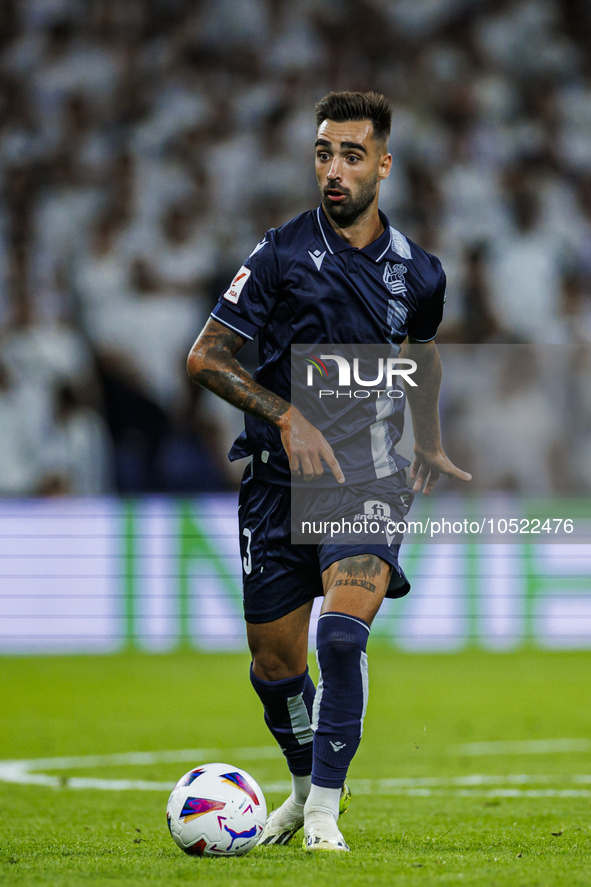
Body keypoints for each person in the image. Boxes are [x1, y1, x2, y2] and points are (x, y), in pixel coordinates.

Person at [187, 91, 470, 852]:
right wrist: (284, 413)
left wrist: (428, 438)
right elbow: (205, 356)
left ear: (383, 163)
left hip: (366, 477)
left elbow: (422, 355)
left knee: (341, 637)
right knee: (275, 666)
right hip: (277, 483)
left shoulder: (421, 274)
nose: (333, 169)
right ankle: (302, 783)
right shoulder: (279, 253)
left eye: (351, 154)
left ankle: (322, 813)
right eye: (322, 153)